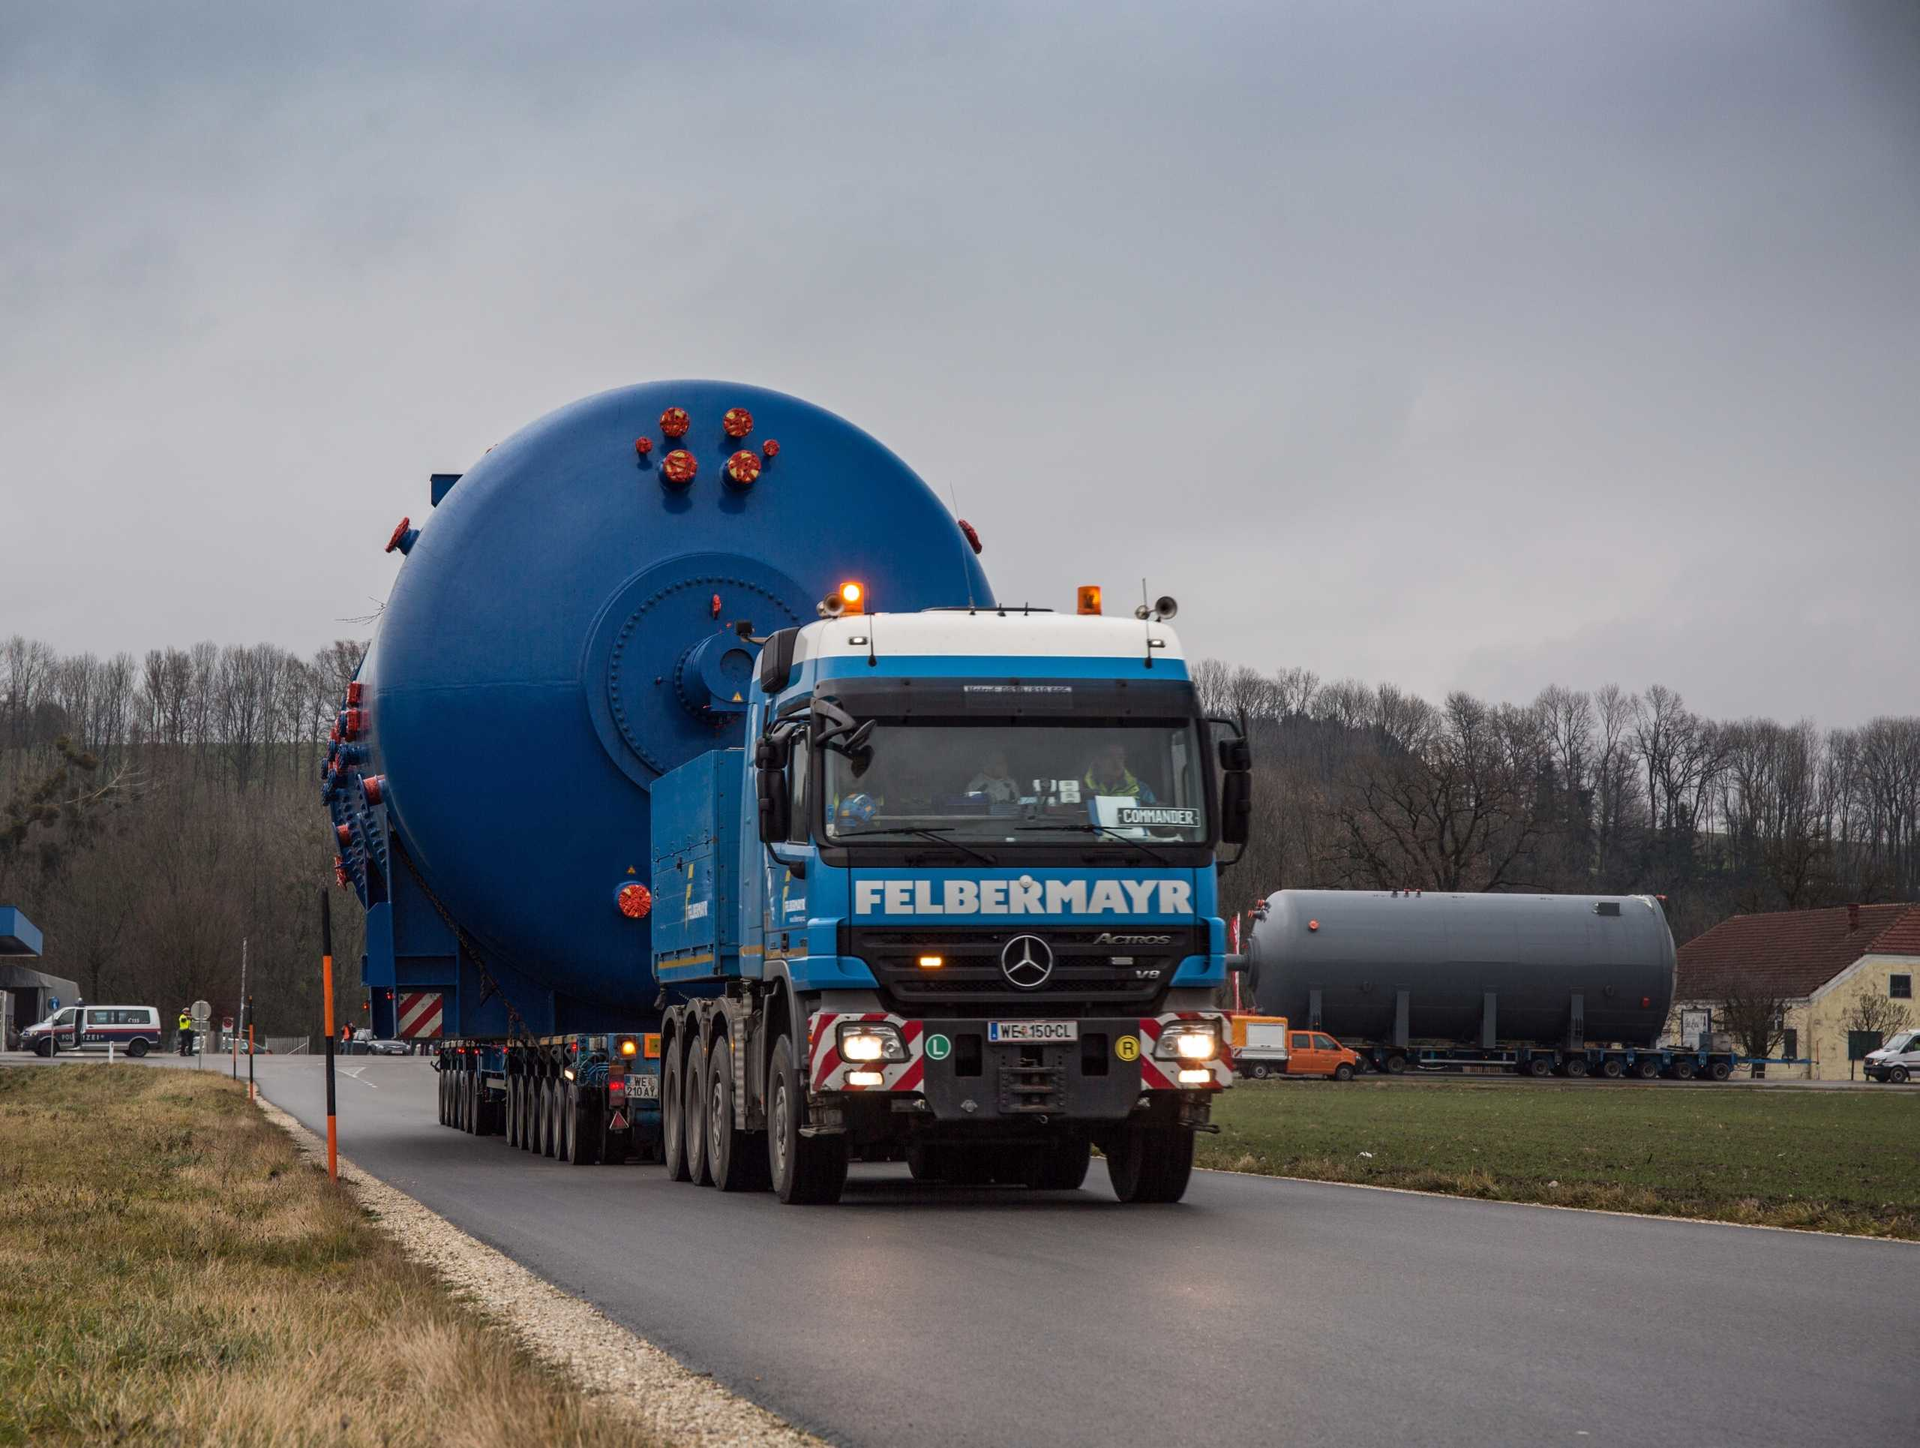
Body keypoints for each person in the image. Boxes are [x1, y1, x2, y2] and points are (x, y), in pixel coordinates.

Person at [1084, 739, 1156, 803]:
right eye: (1109, 756)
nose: (1116, 763)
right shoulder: (1083, 786)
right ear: (1098, 759)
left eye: (1120, 757)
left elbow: (1153, 814)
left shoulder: (1141, 789)